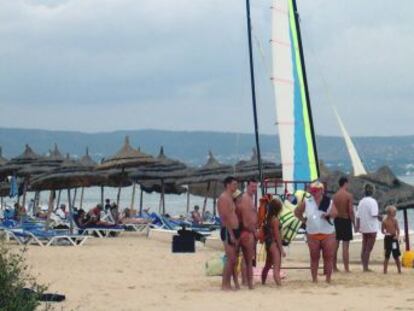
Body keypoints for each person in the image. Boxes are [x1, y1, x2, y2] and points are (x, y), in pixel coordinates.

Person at [295, 181, 337, 283]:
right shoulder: (307, 201)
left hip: (328, 232)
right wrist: (304, 220)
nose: (313, 192)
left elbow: (335, 213)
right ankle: (314, 279)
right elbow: (297, 212)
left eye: (315, 190)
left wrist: (328, 215)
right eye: (312, 190)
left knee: (328, 256)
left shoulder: (328, 201)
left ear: (321, 191)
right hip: (312, 233)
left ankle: (328, 279)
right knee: (314, 257)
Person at [217, 176, 240, 291]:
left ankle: (229, 283)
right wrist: (231, 233)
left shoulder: (230, 197)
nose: (236, 186)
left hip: (234, 230)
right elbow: (224, 218)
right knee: (231, 259)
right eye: (234, 184)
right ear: (228, 185)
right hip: (228, 230)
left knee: (234, 260)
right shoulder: (223, 198)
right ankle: (224, 284)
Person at [237, 178, 258, 289]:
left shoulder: (250, 197)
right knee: (248, 259)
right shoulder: (246, 198)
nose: (254, 189)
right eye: (252, 187)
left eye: (256, 187)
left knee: (246, 259)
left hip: (247, 230)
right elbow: (246, 221)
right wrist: (254, 231)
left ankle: (245, 281)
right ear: (247, 186)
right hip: (247, 231)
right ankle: (248, 283)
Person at [356, 184, 381, 272]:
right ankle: (365, 267)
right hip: (372, 228)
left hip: (364, 227)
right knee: (368, 248)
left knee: (364, 247)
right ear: (372, 191)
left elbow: (358, 216)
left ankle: (364, 266)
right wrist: (381, 218)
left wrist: (357, 226)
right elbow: (374, 214)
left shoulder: (361, 201)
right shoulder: (373, 201)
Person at [261, 198, 286, 286]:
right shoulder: (275, 220)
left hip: (268, 243)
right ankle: (279, 285)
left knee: (267, 265)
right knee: (276, 267)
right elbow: (277, 235)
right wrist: (281, 249)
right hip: (274, 244)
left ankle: (263, 282)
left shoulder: (268, 218)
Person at [333, 177, 355, 272]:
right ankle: (346, 268)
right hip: (346, 220)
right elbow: (350, 211)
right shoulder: (348, 195)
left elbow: (333, 210)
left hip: (337, 220)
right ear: (345, 183)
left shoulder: (335, 196)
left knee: (336, 245)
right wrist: (354, 223)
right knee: (345, 246)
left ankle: (334, 266)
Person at [382, 205, 402, 274]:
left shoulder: (395, 220)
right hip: (387, 238)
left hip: (393, 238)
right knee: (387, 254)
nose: (395, 213)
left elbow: (398, 230)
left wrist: (397, 235)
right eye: (394, 212)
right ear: (389, 213)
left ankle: (399, 270)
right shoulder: (384, 221)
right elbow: (382, 230)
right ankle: (385, 271)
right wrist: (385, 232)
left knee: (396, 255)